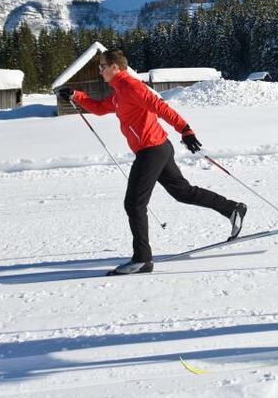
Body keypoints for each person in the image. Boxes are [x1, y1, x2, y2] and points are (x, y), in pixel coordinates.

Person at [59, 48, 247, 276]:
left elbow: (161, 107)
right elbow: (100, 109)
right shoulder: (119, 92)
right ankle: (232, 209)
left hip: (152, 150)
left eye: (102, 67)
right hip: (158, 148)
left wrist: (185, 130)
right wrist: (76, 96)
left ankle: (142, 259)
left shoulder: (132, 87)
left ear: (114, 67)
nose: (100, 71)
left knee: (134, 204)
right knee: (183, 192)